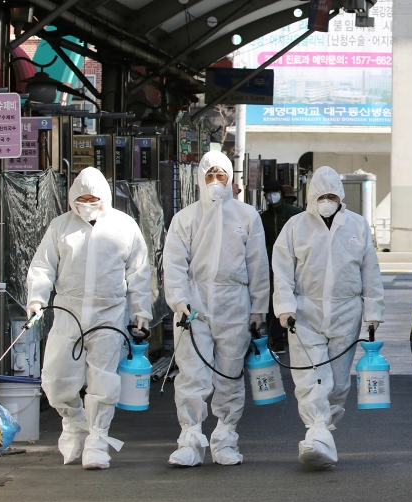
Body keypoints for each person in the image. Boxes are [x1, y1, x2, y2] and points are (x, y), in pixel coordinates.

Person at [26, 167, 152, 469]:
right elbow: (43, 266)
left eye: (93, 197)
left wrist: (141, 312)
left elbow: (139, 273)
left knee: (103, 380)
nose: (87, 203)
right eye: (81, 197)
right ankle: (74, 423)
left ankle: (97, 438)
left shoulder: (124, 226)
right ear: (72, 198)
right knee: (56, 379)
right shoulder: (61, 227)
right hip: (68, 312)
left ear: (104, 197)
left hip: (109, 313)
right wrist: (37, 298)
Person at [163, 151, 270, 467]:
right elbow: (174, 264)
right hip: (194, 305)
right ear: (200, 179)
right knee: (192, 374)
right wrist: (179, 301)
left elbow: (258, 265)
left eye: (220, 175)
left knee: (230, 373)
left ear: (231, 179)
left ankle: (225, 438)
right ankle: (190, 440)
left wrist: (258, 309)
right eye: (209, 175)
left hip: (234, 304)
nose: (215, 181)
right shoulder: (185, 218)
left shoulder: (247, 216)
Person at [273, 166, 384, 468]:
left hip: (346, 313)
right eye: (321, 196)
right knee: (310, 377)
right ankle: (316, 432)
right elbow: (282, 270)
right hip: (305, 312)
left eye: (332, 195)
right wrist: (285, 307)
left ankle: (324, 432)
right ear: (312, 197)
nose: (327, 200)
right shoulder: (296, 226)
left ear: (341, 196)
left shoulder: (357, 226)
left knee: (337, 383)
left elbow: (370, 271)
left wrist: (373, 311)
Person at [260, 179, 303, 351]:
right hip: (271, 264)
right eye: (269, 193)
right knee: (274, 300)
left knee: (296, 296)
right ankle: (277, 337)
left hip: (295, 262)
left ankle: (294, 331)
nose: (272, 196)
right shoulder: (263, 218)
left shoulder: (295, 214)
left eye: (275, 192)